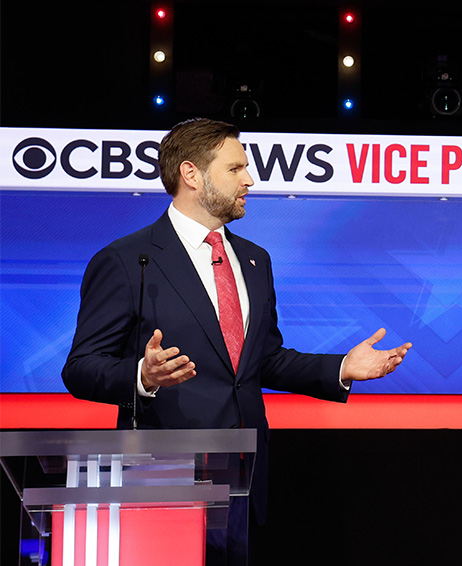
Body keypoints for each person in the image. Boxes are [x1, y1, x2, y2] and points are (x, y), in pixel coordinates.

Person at [62, 118, 412, 517]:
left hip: (245, 474)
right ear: (190, 174)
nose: (249, 180)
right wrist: (143, 375)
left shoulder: (253, 259)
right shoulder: (127, 260)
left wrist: (342, 368)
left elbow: (262, 360)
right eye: (235, 169)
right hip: (162, 477)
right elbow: (81, 368)